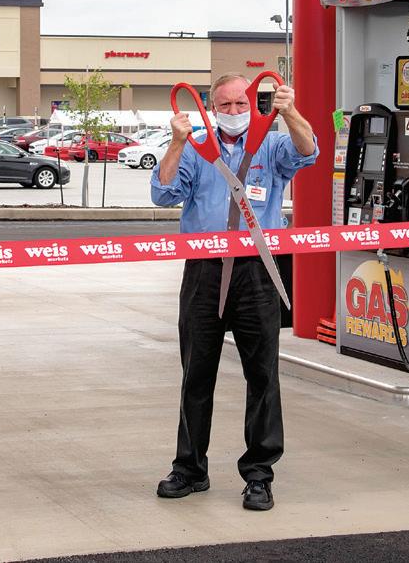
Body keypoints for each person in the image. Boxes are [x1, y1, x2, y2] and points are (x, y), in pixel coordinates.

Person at [149, 73, 318, 511]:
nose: (234, 112)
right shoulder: (195, 147)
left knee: (262, 376)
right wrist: (177, 142)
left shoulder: (271, 143)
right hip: (204, 272)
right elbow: (163, 194)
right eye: (225, 105)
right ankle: (190, 469)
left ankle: (259, 475)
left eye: (241, 103)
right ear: (211, 107)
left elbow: (308, 151)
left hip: (257, 273)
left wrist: (290, 112)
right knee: (196, 374)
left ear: (254, 103)